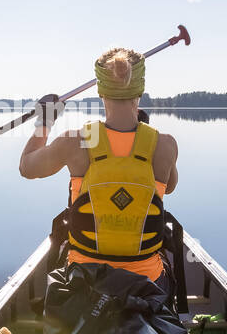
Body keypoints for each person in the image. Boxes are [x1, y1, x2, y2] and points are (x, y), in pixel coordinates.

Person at [19, 46, 179, 289]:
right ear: (141, 89)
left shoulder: (76, 141)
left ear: (100, 91)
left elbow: (27, 167)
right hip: (148, 283)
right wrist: (145, 137)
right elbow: (169, 188)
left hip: (84, 281)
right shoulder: (165, 145)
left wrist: (45, 122)